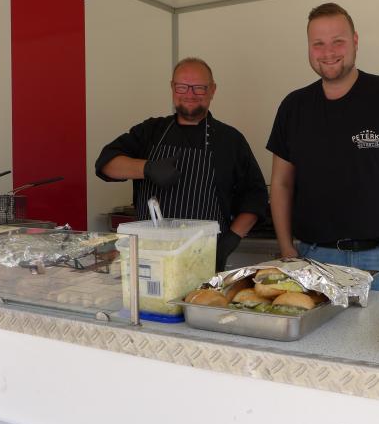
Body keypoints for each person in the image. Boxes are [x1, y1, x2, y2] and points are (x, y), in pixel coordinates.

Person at [266, 3, 379, 292]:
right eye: (318, 43)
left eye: (337, 41)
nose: (328, 52)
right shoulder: (293, 107)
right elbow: (281, 183)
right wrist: (287, 248)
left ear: (355, 41)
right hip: (315, 260)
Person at [96, 57, 268, 271]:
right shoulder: (151, 131)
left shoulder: (230, 140)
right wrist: (147, 168)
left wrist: (230, 240)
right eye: (182, 87)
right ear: (172, 88)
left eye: (199, 88)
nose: (190, 94)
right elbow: (105, 163)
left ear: (213, 90)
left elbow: (255, 197)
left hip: (206, 257)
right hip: (149, 258)